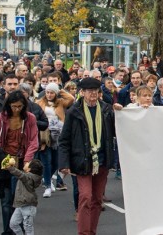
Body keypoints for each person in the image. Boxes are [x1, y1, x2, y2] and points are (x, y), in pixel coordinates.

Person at [59, 77, 115, 235]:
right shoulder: (74, 112)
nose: (93, 95)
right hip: (82, 161)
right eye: (89, 91)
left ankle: (92, 231)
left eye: (96, 91)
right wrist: (64, 163)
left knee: (97, 199)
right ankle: (84, 233)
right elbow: (64, 140)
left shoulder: (106, 110)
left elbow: (119, 130)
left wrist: (121, 111)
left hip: (102, 160)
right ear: (82, 93)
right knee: (85, 197)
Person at [0, 90, 39, 235]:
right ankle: (8, 231)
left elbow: (33, 141)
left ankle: (21, 231)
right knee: (6, 201)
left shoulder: (30, 118)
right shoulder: (1, 118)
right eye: (14, 106)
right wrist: (4, 159)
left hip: (22, 163)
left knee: (21, 201)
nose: (17, 109)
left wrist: (27, 160)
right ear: (8, 105)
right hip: (6, 162)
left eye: (19, 106)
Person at [37, 82, 74, 197]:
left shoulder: (61, 103)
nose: (49, 94)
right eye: (47, 92)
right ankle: (48, 185)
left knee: (56, 161)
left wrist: (60, 90)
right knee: (46, 161)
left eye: (52, 92)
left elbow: (71, 98)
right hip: (44, 134)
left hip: (58, 134)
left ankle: (46, 178)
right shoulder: (39, 103)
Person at [5, 159, 43, 235]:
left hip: (28, 206)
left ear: (29, 169)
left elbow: (20, 174)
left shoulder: (28, 178)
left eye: (28, 163)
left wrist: (10, 168)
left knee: (28, 228)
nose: (26, 163)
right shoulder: (28, 176)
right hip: (21, 204)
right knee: (13, 224)